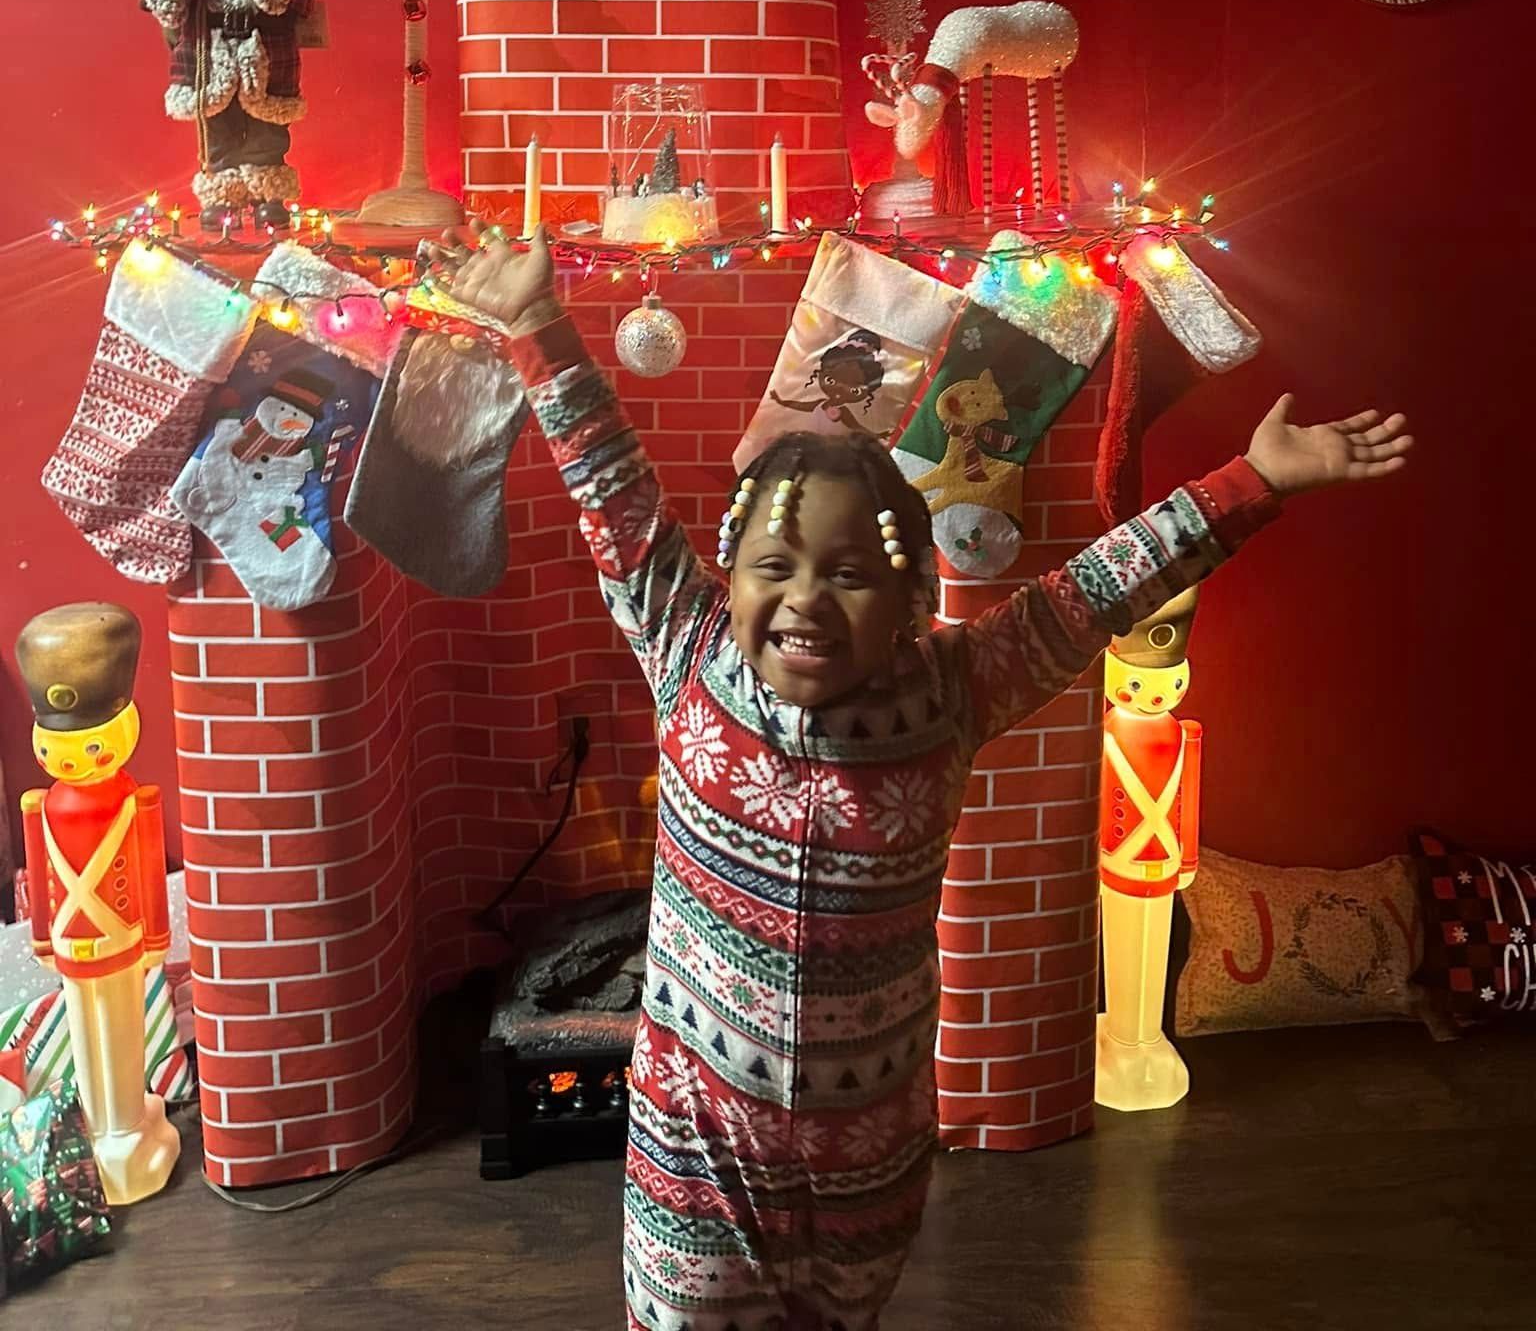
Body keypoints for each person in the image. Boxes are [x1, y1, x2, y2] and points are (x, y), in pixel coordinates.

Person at [447, 228, 1411, 1331]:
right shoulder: (689, 646)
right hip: (700, 1151)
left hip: (872, 1153)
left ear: (910, 606)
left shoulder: (952, 690)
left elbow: (1091, 591)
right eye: (775, 564)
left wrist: (1254, 481)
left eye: (850, 573)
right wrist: (538, 326)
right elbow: (612, 494)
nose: (805, 595)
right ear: (732, 571)